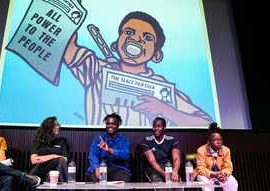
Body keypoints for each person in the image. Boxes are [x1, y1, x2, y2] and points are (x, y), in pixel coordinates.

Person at [64, 11, 212, 127]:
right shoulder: (97, 70)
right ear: (115, 45)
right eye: (129, 32)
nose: (136, 39)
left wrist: (165, 110)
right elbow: (67, 46)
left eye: (147, 38)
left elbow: (206, 123)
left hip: (144, 148)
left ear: (156, 55)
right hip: (102, 146)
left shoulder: (162, 88)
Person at [86, 113, 131, 182]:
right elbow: (92, 155)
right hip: (100, 167)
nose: (110, 126)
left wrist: (109, 150)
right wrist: (96, 167)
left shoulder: (124, 140)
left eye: (113, 124)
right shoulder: (98, 138)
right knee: (94, 177)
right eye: (108, 123)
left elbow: (125, 155)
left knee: (124, 177)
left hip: (118, 168)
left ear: (118, 125)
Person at [195, 122, 238, 191]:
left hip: (221, 174)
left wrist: (224, 174)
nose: (217, 142)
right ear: (209, 141)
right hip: (206, 175)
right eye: (214, 140)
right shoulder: (201, 150)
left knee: (233, 182)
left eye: (219, 140)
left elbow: (228, 166)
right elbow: (200, 168)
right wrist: (213, 174)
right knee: (205, 183)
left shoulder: (226, 150)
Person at [139, 117, 181, 182]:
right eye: (154, 126)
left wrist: (175, 171)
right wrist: (165, 175)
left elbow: (176, 158)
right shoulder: (147, 141)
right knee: (158, 182)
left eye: (159, 126)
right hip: (153, 169)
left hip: (168, 166)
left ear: (164, 128)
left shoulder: (172, 140)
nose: (156, 128)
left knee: (176, 181)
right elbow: (152, 161)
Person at [29, 116, 69, 182]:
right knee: (59, 159)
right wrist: (53, 156)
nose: (58, 127)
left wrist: (47, 158)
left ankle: (64, 186)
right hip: (39, 171)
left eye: (58, 124)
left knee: (61, 160)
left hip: (56, 172)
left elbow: (65, 159)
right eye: (55, 125)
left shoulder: (62, 141)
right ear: (48, 127)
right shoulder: (38, 141)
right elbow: (34, 160)